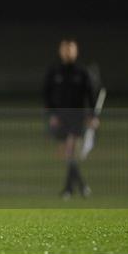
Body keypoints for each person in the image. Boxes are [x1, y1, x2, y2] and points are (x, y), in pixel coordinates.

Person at [43, 38, 99, 199]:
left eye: (71, 49)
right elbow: (46, 94)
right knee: (69, 155)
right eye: (65, 49)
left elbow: (90, 95)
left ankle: (71, 189)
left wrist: (93, 115)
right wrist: (52, 114)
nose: (68, 52)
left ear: (76, 51)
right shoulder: (54, 71)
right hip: (60, 118)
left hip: (78, 118)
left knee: (71, 151)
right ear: (61, 51)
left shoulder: (82, 72)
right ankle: (79, 187)